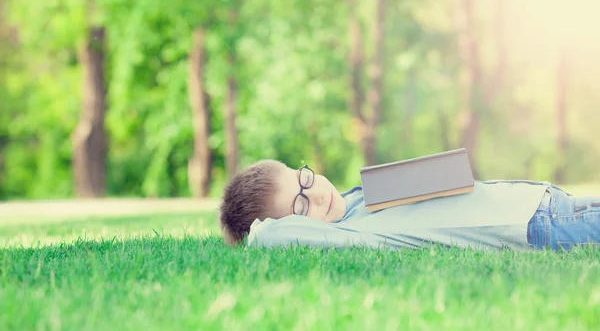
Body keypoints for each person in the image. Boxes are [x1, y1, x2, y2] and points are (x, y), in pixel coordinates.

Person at [219, 159, 600, 251]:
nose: (316, 193)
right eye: (301, 207)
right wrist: (252, 228)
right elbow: (269, 235)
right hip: (536, 223)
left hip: (543, 199)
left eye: (304, 178)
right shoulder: (346, 234)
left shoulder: (355, 200)